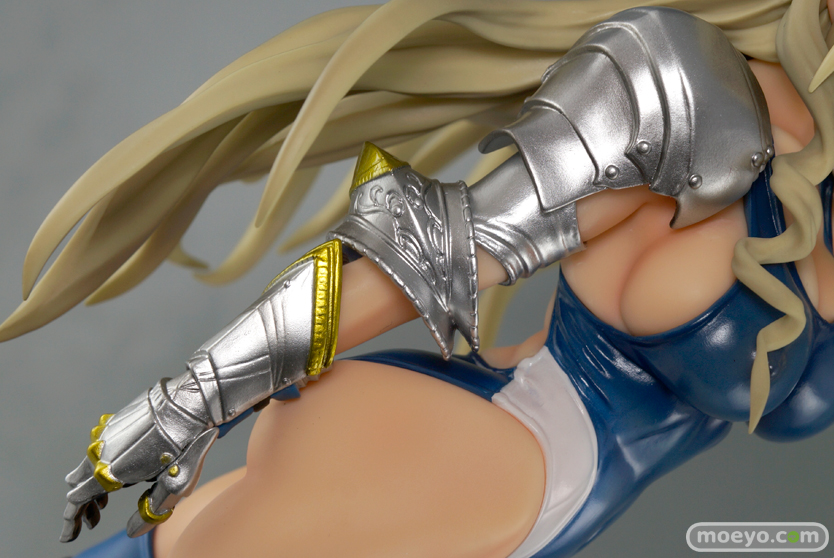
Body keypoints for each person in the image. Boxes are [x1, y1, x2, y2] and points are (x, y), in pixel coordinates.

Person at [2, 0, 834, 557]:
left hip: (525, 487)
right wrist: (188, 402)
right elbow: (429, 255)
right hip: (472, 456)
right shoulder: (692, 94)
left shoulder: (821, 179)